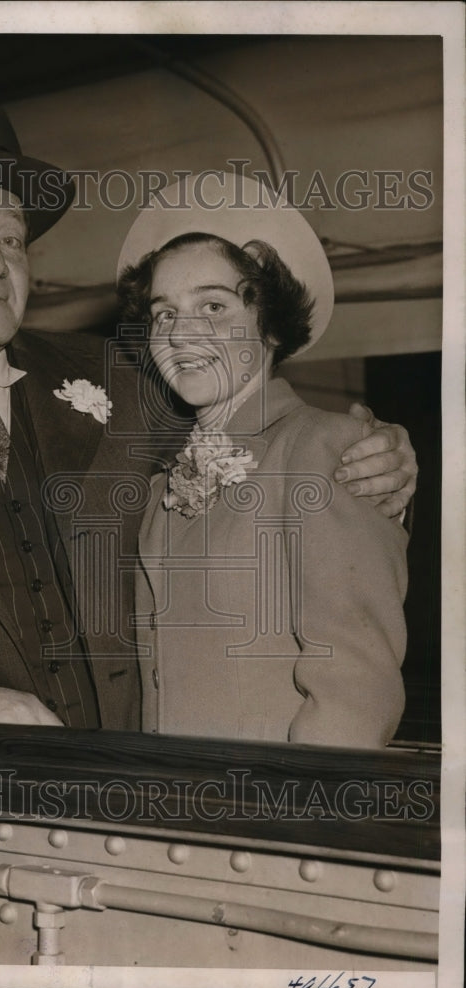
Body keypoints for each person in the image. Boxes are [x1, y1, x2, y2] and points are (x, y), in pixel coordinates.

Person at [0, 99, 417, 732]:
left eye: (10, 241)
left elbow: (260, 440)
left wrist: (378, 455)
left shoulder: (121, 378)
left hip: (134, 778)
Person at [118, 174, 409, 748]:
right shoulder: (160, 486)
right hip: (167, 806)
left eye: (213, 305)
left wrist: (291, 818)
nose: (183, 334)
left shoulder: (323, 447)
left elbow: (355, 688)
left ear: (269, 326)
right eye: (164, 314)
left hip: (264, 812)